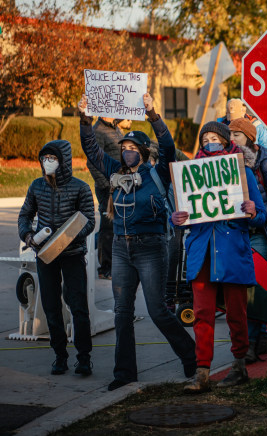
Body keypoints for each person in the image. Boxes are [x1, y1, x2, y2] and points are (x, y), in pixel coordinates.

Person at [78, 94, 196, 391]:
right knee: (122, 312)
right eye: (124, 148)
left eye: (132, 148)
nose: (127, 152)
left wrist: (153, 114)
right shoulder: (114, 172)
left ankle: (190, 354)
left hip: (151, 248)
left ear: (142, 152)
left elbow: (168, 148)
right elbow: (91, 149)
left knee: (157, 310)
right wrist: (84, 118)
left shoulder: (156, 173)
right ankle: (125, 372)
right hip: (120, 247)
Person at [173, 121, 266, 392]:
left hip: (231, 252)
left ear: (226, 141)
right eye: (205, 138)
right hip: (202, 255)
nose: (210, 142)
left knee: (237, 313)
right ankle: (202, 372)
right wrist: (176, 218)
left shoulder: (243, 173)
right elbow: (181, 216)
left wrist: (251, 210)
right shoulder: (189, 175)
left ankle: (239, 366)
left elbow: (259, 215)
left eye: (215, 137)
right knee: (202, 314)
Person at [18, 140, 95, 376]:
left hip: (72, 255)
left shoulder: (80, 187)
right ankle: (59, 356)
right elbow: (25, 215)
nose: (47, 162)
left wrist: (68, 238)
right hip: (45, 256)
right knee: (51, 306)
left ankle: (84, 358)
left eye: (52, 158)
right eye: (44, 158)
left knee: (78, 306)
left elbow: (89, 221)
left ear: (64, 161)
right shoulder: (36, 186)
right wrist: (29, 235)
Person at [229, 117, 267, 361]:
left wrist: (259, 215)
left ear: (250, 139)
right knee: (247, 289)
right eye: (229, 135)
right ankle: (261, 339)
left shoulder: (266, 166)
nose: (231, 140)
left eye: (236, 135)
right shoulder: (226, 165)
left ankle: (249, 345)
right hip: (237, 235)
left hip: (260, 234)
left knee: (252, 289)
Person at [87, 116, 131, 279]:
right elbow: (92, 161)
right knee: (108, 226)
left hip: (120, 185)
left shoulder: (115, 128)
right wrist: (107, 184)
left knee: (116, 224)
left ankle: (115, 263)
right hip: (107, 188)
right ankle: (106, 268)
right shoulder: (98, 130)